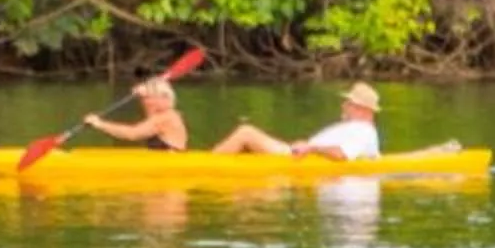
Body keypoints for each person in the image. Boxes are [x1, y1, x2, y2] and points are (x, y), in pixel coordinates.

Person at [213, 80, 384, 158]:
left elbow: (342, 154)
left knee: (246, 132)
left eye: (349, 103)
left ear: (364, 110)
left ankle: (207, 163)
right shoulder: (353, 128)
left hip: (295, 158)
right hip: (297, 155)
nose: (343, 106)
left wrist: (311, 148)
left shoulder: (363, 131)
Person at [84, 75, 190, 151]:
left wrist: (99, 124)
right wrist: (147, 89)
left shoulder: (166, 117)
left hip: (170, 170)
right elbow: (149, 111)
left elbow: (132, 134)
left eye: (149, 98)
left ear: (164, 99)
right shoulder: (161, 114)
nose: (145, 102)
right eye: (144, 99)